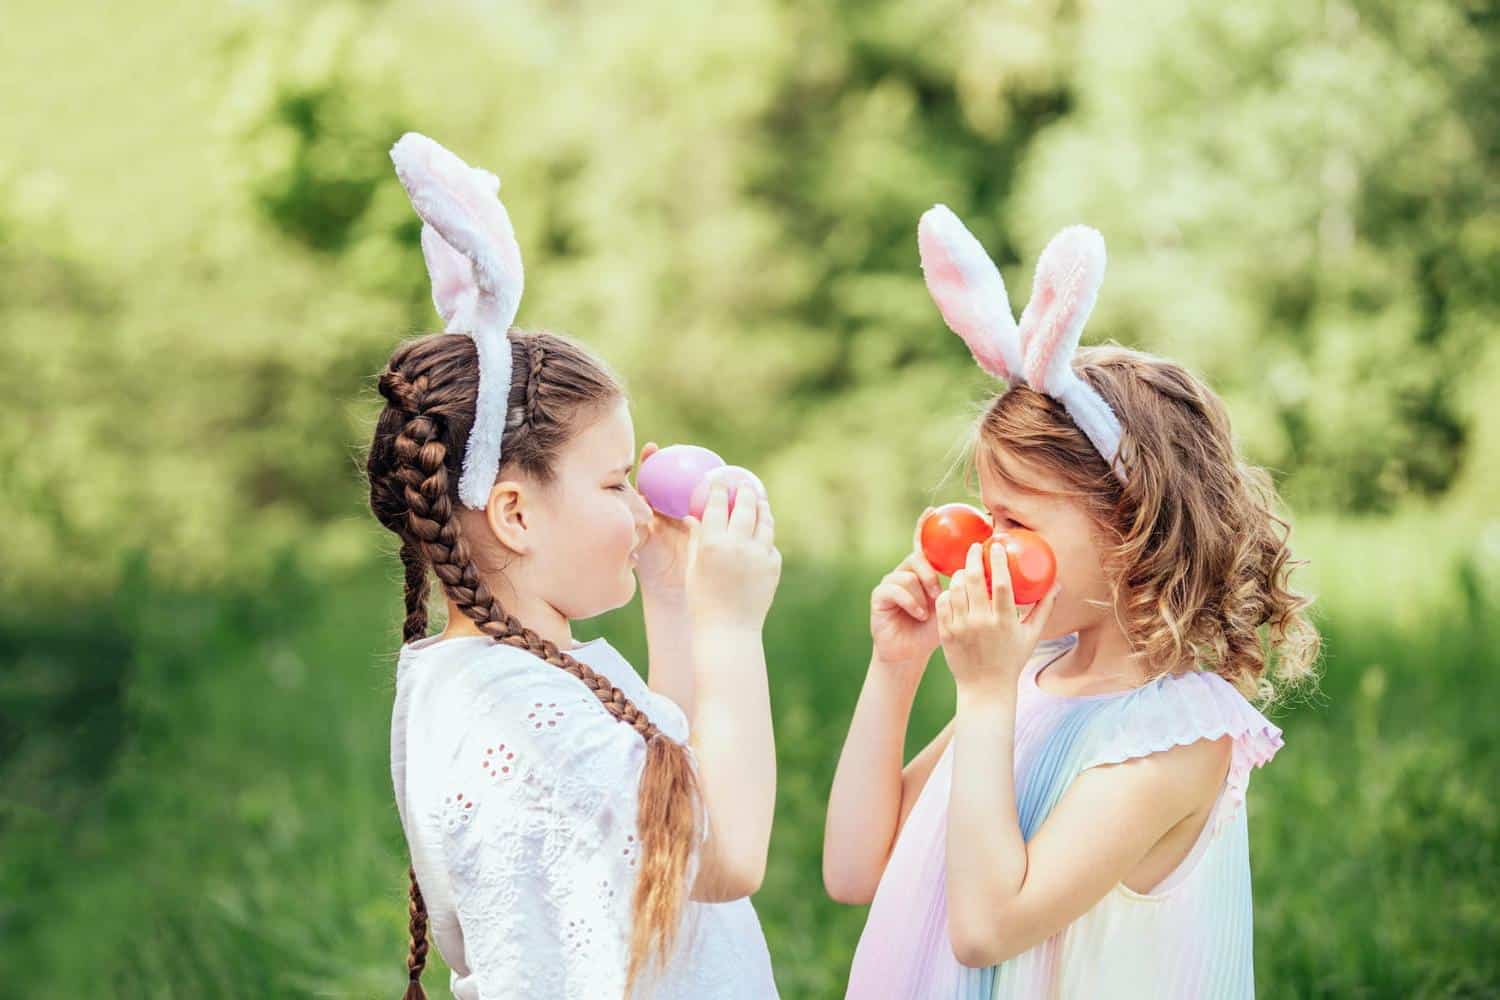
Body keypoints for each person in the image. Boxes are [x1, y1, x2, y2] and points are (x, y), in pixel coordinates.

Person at [825, 206, 1320, 998]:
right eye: (985, 513)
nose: (983, 546)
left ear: (1131, 528)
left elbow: (987, 928)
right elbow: (855, 869)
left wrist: (985, 691)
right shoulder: (1033, 680)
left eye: (1014, 521)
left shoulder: (1178, 737)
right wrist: (896, 667)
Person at [370, 133, 781, 999]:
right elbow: (728, 854)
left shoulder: (510, 676)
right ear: (514, 514)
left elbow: (671, 773)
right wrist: (731, 627)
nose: (640, 508)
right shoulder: (522, 720)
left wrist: (670, 599)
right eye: (613, 480)